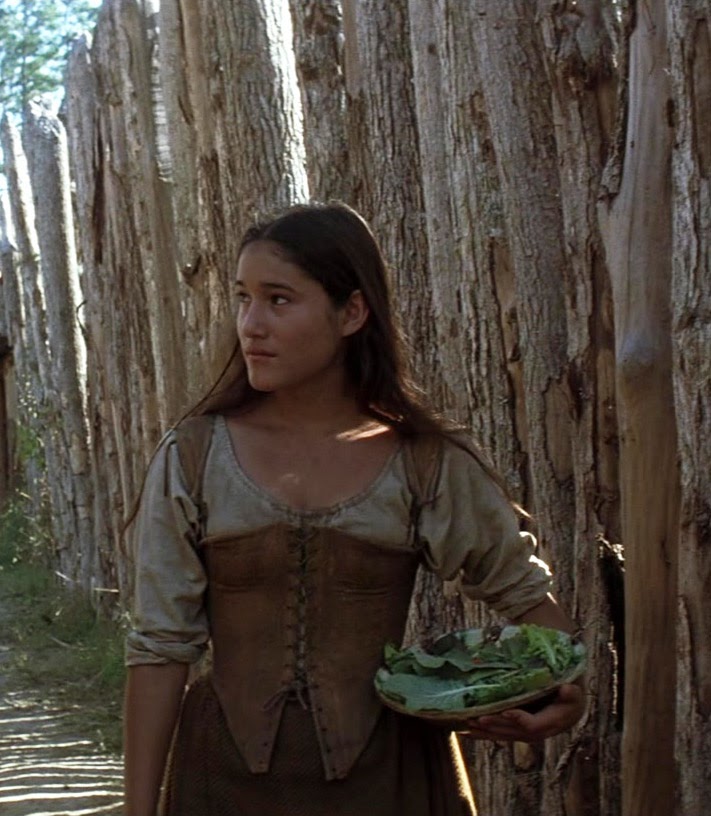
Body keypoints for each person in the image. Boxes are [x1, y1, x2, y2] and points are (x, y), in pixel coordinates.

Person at [123, 202, 585, 816]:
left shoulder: (424, 462)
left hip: (392, 783)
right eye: (243, 298)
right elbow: (159, 649)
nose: (251, 325)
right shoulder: (195, 456)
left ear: (352, 312)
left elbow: (527, 599)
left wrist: (565, 691)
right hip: (222, 783)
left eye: (279, 300)